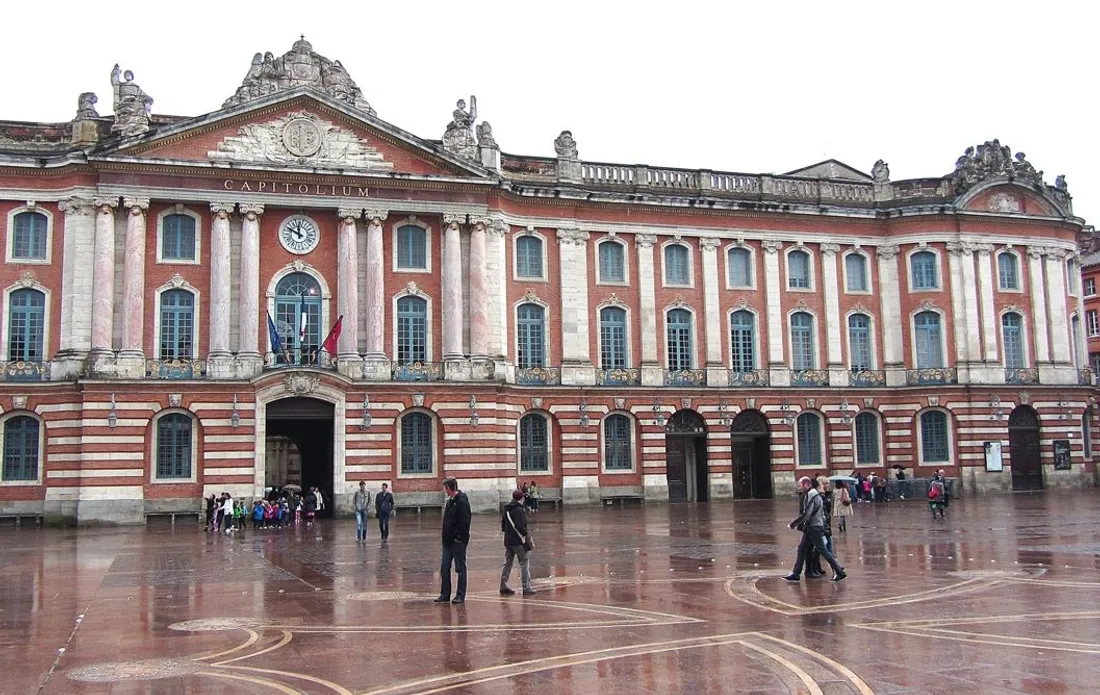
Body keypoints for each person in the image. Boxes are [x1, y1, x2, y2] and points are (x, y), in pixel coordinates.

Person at [784, 477, 846, 582]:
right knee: (802, 549)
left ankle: (839, 572)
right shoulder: (815, 494)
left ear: (806, 484)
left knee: (823, 550)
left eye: (800, 485)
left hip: (813, 527)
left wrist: (793, 524)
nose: (799, 487)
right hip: (811, 527)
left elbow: (807, 513)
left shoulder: (812, 494)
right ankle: (796, 573)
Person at [435, 477, 472, 605]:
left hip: (457, 542)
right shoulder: (450, 501)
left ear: (449, 488)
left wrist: (459, 538)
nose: (444, 490)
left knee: (460, 569)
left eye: (445, 488)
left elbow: (465, 522)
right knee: (444, 568)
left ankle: (460, 595)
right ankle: (445, 594)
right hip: (447, 541)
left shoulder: (461, 501)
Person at [500, 489, 536, 596]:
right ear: (522, 498)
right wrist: (525, 535)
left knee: (508, 563)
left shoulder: (507, 509)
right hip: (518, 541)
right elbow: (520, 526)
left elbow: (503, 525)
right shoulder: (519, 510)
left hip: (508, 540)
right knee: (524, 562)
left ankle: (503, 585)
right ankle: (526, 587)